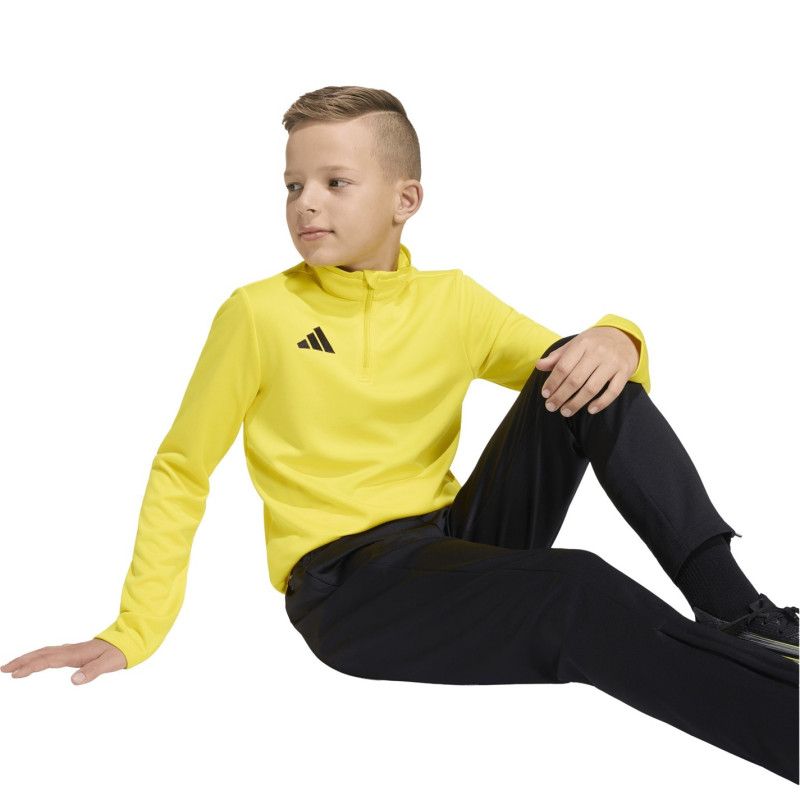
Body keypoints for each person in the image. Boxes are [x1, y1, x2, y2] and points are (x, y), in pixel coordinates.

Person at [3, 86, 797, 783]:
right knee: (576, 586)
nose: (306, 204)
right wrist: (135, 630)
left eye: (335, 182)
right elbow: (182, 468)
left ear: (404, 198)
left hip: (453, 542)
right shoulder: (259, 314)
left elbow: (585, 369)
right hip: (351, 585)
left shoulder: (452, 301)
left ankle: (738, 613)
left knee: (585, 376)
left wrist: (620, 335)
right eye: (292, 186)